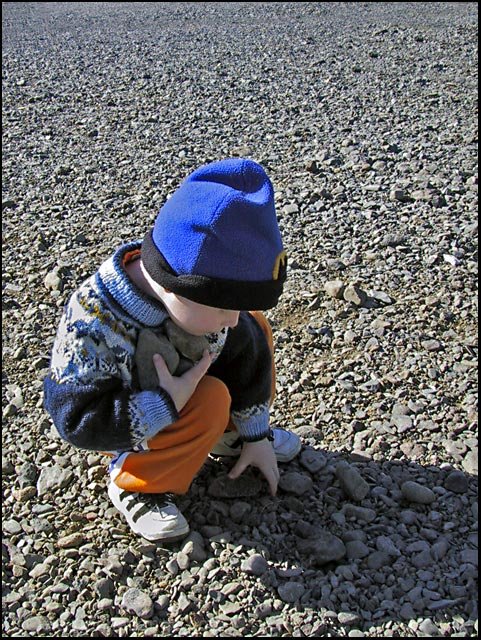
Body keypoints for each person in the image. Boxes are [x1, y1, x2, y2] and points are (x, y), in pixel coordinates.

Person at [43, 158, 301, 542]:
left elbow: (245, 356)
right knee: (211, 399)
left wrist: (255, 435)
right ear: (171, 286)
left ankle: (227, 437)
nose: (230, 318)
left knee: (253, 330)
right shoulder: (94, 323)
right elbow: (75, 418)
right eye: (221, 307)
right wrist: (164, 404)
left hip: (179, 384)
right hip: (124, 414)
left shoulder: (208, 307)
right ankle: (137, 481)